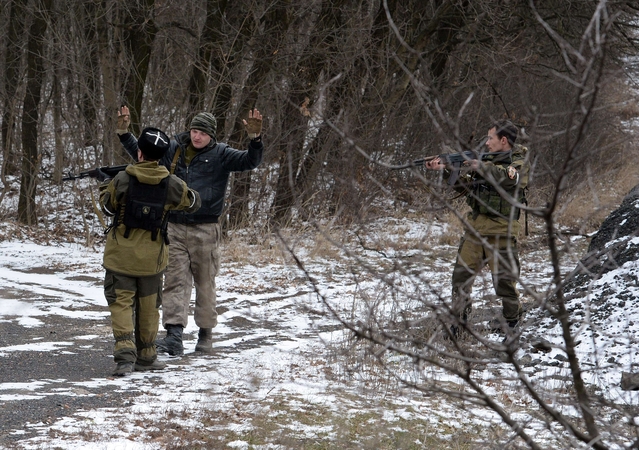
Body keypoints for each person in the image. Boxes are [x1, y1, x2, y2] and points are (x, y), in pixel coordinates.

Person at [115, 106, 264, 355]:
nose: (197, 137)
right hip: (173, 226)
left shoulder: (221, 154)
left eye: (202, 133)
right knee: (174, 281)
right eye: (194, 131)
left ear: (211, 136)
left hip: (206, 228)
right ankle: (174, 336)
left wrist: (255, 140)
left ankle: (205, 334)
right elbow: (145, 156)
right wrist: (124, 133)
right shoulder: (174, 148)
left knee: (205, 282)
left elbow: (249, 161)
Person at [99, 127, 201, 376]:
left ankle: (124, 358)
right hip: (152, 259)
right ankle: (147, 356)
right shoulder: (171, 184)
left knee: (121, 304)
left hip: (120, 256)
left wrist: (104, 185)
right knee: (148, 307)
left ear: (139, 152)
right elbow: (193, 202)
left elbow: (108, 207)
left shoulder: (122, 179)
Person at [424, 120, 529, 339]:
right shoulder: (485, 160)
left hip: (502, 229)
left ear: (503, 140)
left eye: (491, 138)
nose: (487, 142)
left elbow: (509, 179)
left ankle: (511, 320)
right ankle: (459, 323)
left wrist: (479, 165)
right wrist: (447, 169)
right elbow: (464, 189)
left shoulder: (518, 162)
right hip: (476, 228)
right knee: (460, 277)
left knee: (504, 282)